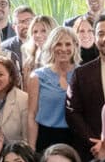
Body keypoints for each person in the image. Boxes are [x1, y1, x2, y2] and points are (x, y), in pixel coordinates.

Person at [67, 15, 105, 158]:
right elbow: (72, 111)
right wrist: (96, 142)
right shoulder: (81, 73)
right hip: (91, 150)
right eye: (100, 34)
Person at [26, 26, 77, 154]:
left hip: (75, 139)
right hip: (45, 138)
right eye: (58, 44)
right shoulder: (37, 76)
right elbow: (32, 115)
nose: (63, 49)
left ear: (75, 46)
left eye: (68, 44)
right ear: (51, 47)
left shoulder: (82, 74)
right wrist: (31, 148)